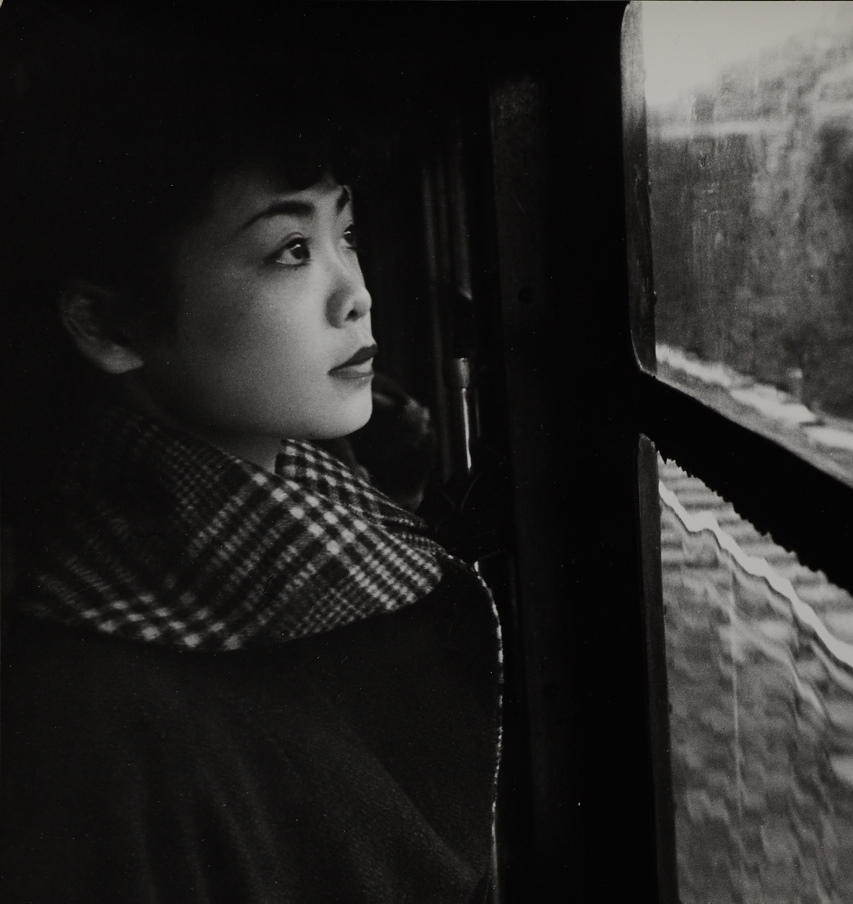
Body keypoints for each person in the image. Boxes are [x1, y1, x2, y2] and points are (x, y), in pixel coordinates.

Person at [0, 9, 501, 902]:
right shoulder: (86, 708)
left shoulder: (337, 509)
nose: (356, 295)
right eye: (291, 250)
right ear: (110, 324)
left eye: (347, 235)